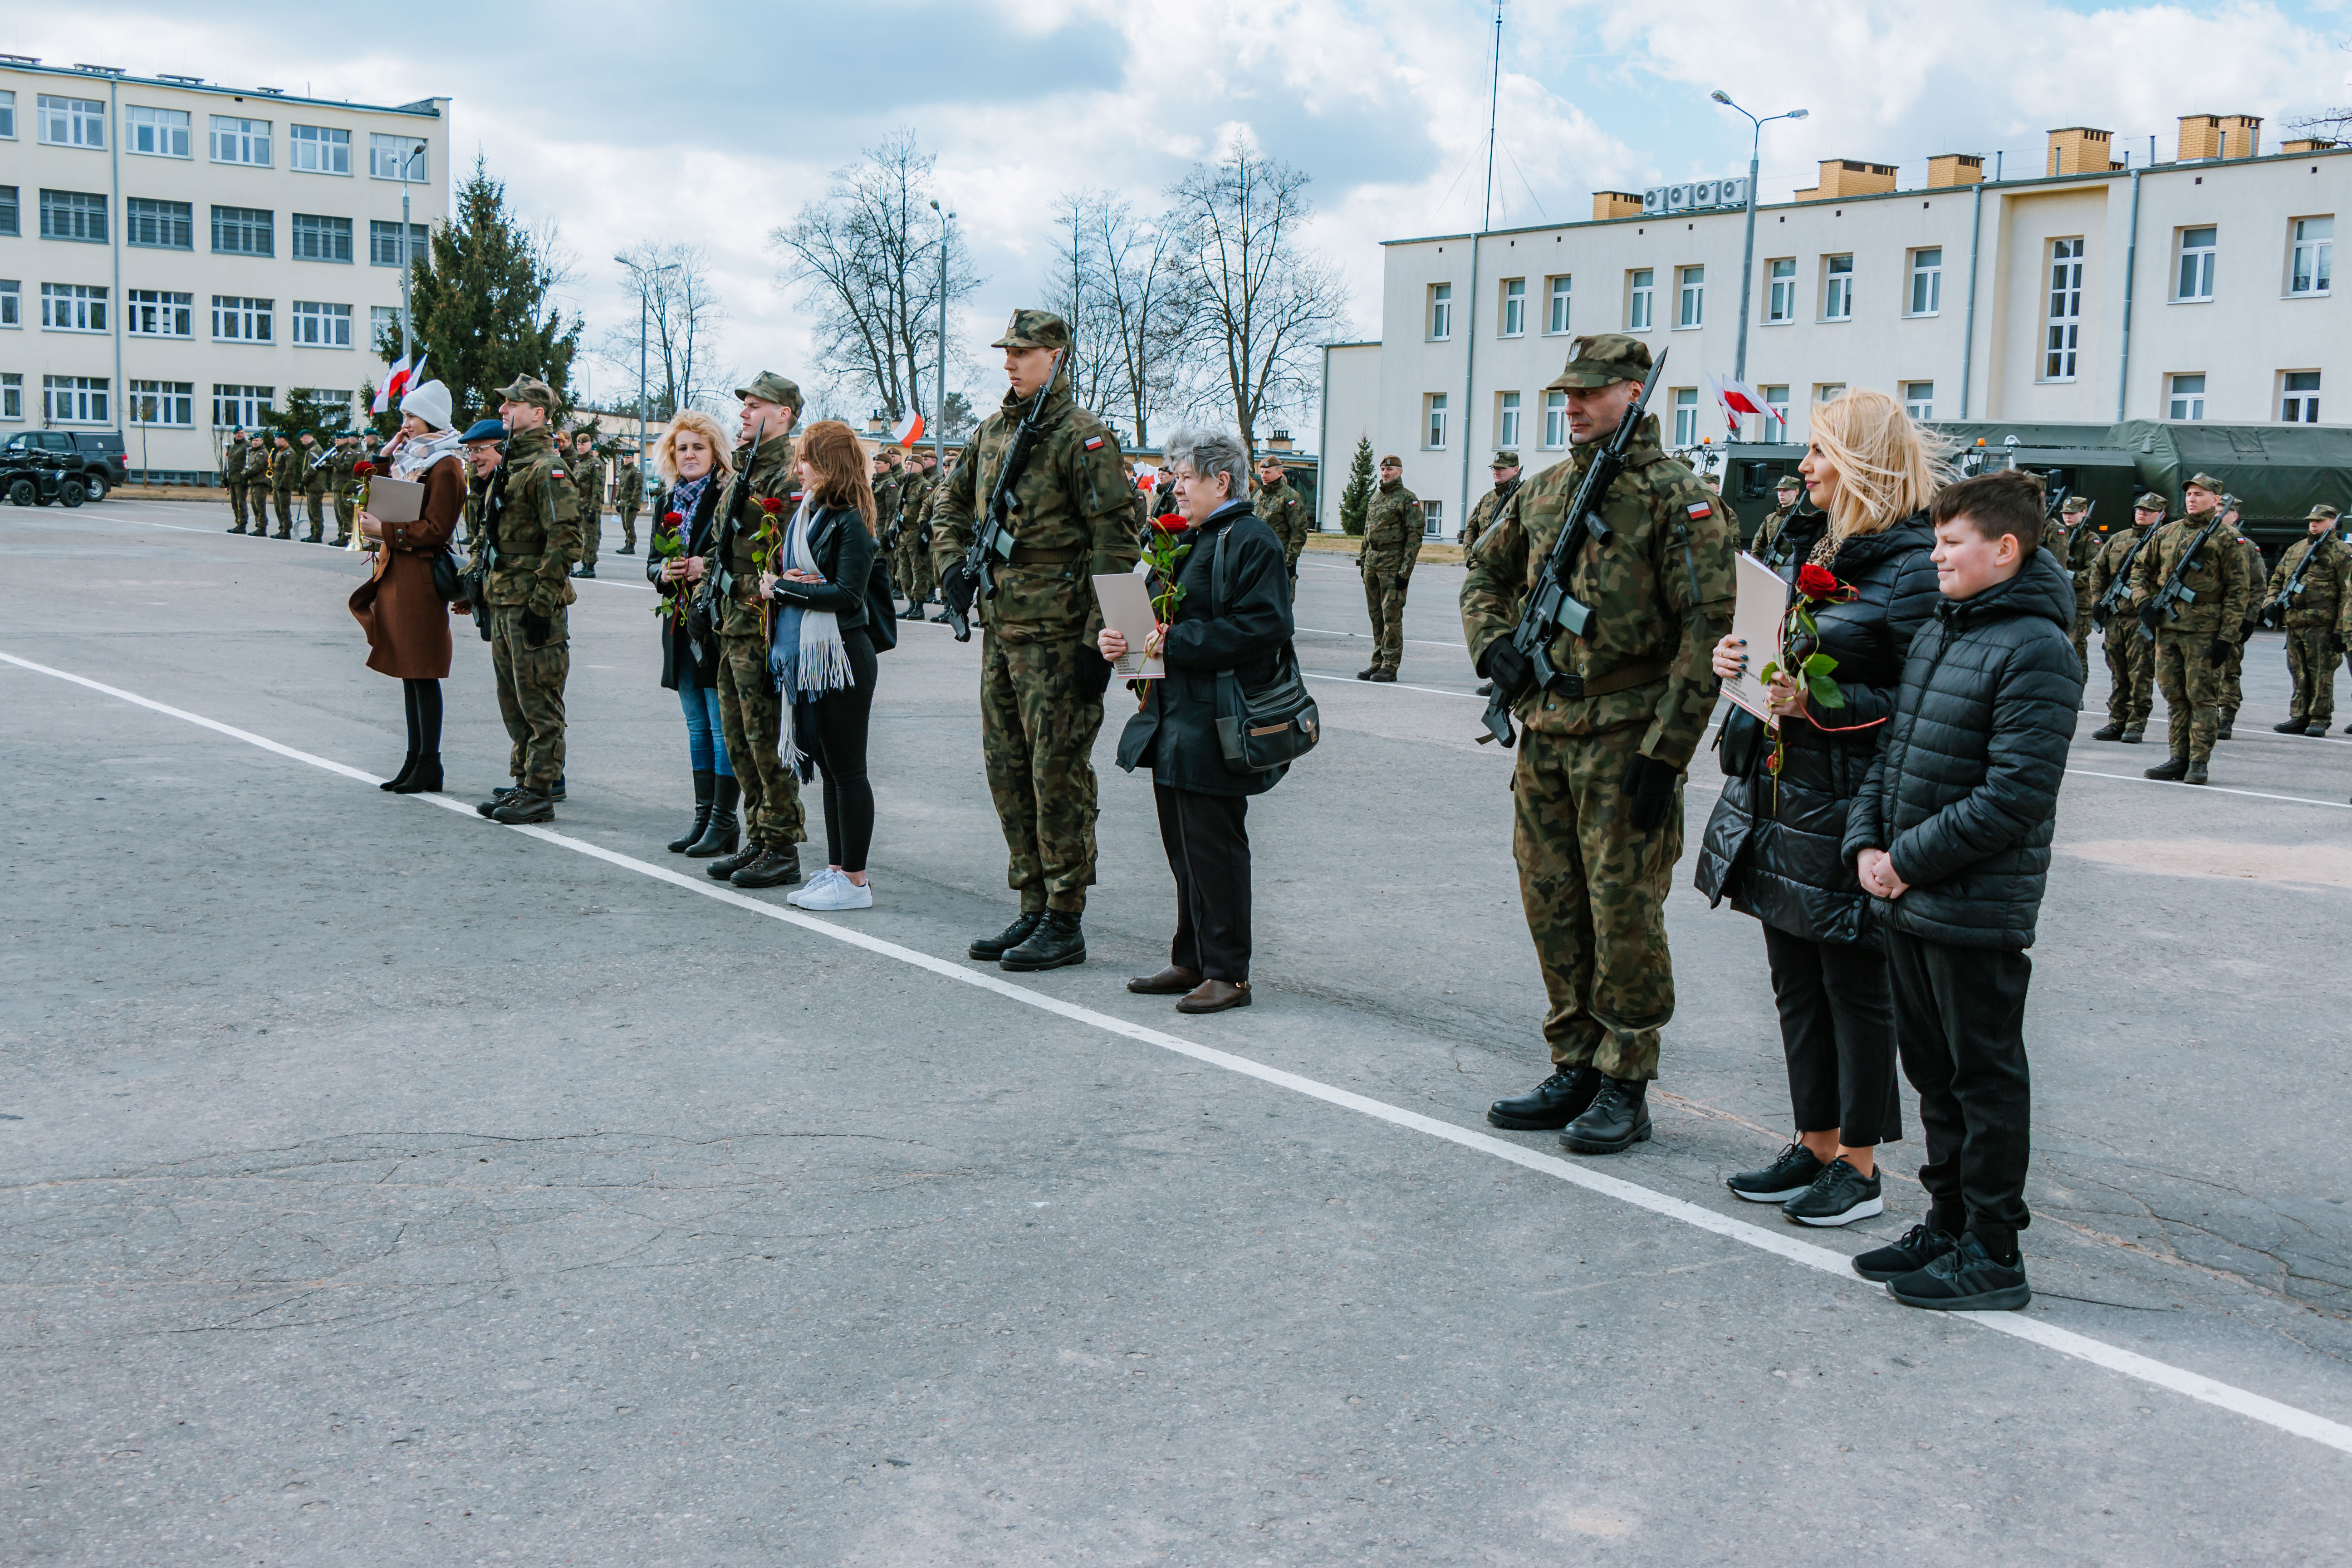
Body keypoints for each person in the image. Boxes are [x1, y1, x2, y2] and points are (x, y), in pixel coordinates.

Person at [1461, 334, 1735, 1155]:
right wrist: (1494, 644)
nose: (1572, 406)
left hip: (1626, 738)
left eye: (1588, 392)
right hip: (1546, 733)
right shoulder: (1545, 490)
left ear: (1633, 392)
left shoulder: (1679, 498)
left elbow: (1707, 631)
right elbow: (1483, 575)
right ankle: (1574, 1061)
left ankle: (1625, 1081)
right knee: (1551, 904)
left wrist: (1666, 752)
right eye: (1566, 394)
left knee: (1623, 914)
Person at [1695, 388, 1943, 1225]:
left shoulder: (1912, 568)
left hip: (1848, 805)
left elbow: (1925, 702)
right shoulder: (1811, 542)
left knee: (1853, 988)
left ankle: (1860, 1169)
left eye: (1820, 451)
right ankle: (1814, 1143)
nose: (1803, 466)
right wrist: (1737, 660)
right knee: (1795, 983)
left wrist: (1817, 706)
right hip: (1781, 793)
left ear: (1862, 462)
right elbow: (1783, 649)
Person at [1843, 469, 2083, 1310]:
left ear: (2004, 549)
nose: (1935, 556)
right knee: (1934, 1074)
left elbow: (2015, 795)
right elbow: (1892, 752)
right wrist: (1865, 843)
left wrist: (1904, 860)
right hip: (1909, 895)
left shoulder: (2036, 648)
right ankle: (1946, 1223)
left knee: (1982, 1080)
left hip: (1972, 906)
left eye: (1950, 543)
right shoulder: (1945, 629)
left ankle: (1992, 1251)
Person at [932, 310, 1140, 971]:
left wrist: (1106, 644)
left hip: (1060, 636)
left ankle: (1065, 916)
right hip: (1003, 630)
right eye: (1008, 352)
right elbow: (948, 504)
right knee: (1007, 770)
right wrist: (951, 566)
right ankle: (1032, 903)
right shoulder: (992, 432)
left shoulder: (1084, 438)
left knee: (1057, 775)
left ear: (1056, 357)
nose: (1010, 362)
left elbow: (1118, 543)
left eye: (1023, 352)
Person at [1104, 426, 1294, 1014]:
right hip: (1173, 717)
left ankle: (1228, 973)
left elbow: (1264, 627)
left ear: (1223, 481)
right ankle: (1190, 959)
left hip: (1217, 719)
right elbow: (1155, 618)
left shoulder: (1252, 540)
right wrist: (1124, 642)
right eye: (1176, 476)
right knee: (1183, 850)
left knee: (1216, 851)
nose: (1176, 487)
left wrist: (1175, 642)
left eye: (1186, 477)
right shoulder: (1184, 537)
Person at [694, 373, 809, 890]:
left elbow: (786, 562)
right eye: (743, 405)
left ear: (784, 414)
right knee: (739, 739)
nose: (744, 413)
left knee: (766, 741)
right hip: (731, 623)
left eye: (756, 405)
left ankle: (782, 845)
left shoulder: (787, 475)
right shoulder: (745, 469)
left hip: (763, 627)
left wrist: (738, 591)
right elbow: (719, 546)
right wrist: (705, 600)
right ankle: (759, 836)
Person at [767, 420, 887, 911]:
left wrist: (782, 588)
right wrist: (788, 581)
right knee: (832, 769)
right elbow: (806, 579)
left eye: (807, 459)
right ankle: (838, 870)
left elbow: (846, 595)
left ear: (829, 464)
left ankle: (855, 881)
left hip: (844, 656)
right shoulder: (812, 514)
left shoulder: (850, 520)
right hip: (819, 655)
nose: (799, 468)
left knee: (849, 770)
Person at [470, 377, 582, 826]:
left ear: (538, 414)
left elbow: (565, 540)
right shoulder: (512, 466)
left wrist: (542, 603)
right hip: (504, 598)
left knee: (539, 701)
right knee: (513, 699)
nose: (503, 410)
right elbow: (491, 534)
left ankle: (540, 790)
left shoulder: (547, 468)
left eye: (512, 404)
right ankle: (523, 781)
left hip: (531, 601)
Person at [348, 379, 466, 794]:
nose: (406, 424)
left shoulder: (446, 465)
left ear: (431, 417)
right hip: (401, 573)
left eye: (412, 416)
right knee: (408, 672)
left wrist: (385, 531)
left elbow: (436, 529)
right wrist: (384, 457)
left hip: (420, 576)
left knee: (421, 672)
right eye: (404, 416)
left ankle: (428, 763)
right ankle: (414, 760)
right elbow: (392, 500)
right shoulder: (413, 458)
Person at [646, 410, 740, 858]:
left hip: (716, 623)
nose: (689, 454)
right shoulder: (668, 501)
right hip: (679, 625)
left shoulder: (729, 495)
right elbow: (651, 563)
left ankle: (724, 821)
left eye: (698, 447)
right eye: (681, 447)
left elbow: (747, 555)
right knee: (697, 726)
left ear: (715, 452)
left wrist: (708, 565)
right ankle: (703, 818)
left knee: (721, 727)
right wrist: (663, 572)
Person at [2132, 473, 2250, 786]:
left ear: (2216, 500)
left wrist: (2227, 636)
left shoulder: (2228, 538)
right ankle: (2178, 759)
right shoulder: (2167, 533)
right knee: (2174, 697)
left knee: (2201, 698)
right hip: (2168, 629)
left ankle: (2198, 763)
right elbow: (2140, 569)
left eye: (2199, 494)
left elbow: (2239, 591)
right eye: (2189, 494)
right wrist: (2143, 602)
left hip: (2205, 631)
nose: (2192, 499)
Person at [2087, 492, 2167, 742]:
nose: (2142, 513)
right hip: (2116, 616)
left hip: (2141, 618)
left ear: (2161, 515)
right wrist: (2097, 600)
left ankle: (2136, 724)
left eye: (2149, 510)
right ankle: (2117, 721)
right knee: (2118, 671)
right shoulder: (2119, 539)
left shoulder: (2164, 541)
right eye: (2139, 509)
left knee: (2140, 673)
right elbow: (2098, 570)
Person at [2266, 505, 2349, 735]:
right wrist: (2270, 603)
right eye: (2311, 520)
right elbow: (2277, 579)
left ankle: (2319, 719)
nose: (2313, 524)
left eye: (2319, 521)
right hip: (2294, 621)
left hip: (2323, 623)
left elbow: (2347, 594)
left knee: (2322, 673)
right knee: (2298, 672)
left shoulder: (2342, 553)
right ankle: (2299, 716)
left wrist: (2341, 629)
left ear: (2333, 523)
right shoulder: (2296, 549)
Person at [1358, 456, 1421, 681]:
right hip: (1372, 564)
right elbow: (1367, 531)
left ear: (1400, 472)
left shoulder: (1408, 499)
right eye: (1383, 469)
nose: (1385, 473)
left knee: (1391, 617)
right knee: (1376, 616)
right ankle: (1377, 662)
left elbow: (1415, 536)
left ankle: (1390, 666)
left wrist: (1405, 572)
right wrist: (1363, 560)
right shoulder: (1376, 497)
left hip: (1392, 566)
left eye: (1390, 469)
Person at [2214, 498, 2264, 739]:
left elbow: (2258, 586)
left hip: (2232, 620)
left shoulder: (2246, 546)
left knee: (2229, 671)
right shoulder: (2203, 540)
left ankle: (2226, 717)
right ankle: (2207, 716)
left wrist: (2249, 619)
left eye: (2224, 512)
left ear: (2235, 516)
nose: (2218, 515)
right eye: (2215, 510)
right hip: (2202, 618)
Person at [2049, 494, 2098, 676]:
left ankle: (2079, 686)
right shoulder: (2057, 536)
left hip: (2079, 606)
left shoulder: (2091, 540)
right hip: (2057, 602)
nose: (2068, 516)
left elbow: (2093, 572)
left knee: (2075, 651)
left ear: (2084, 513)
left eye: (2073, 513)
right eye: (2065, 513)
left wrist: (2067, 578)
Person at [1253, 453, 1311, 597]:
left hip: (1280, 560)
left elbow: (1299, 531)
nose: (1264, 476)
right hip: (1259, 559)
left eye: (1268, 472)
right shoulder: (1258, 496)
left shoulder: (1290, 497)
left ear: (1279, 473)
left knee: (1281, 601)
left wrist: (1290, 562)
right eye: (1262, 472)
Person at [1460, 450, 1521, 559]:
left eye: (1502, 468)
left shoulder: (1523, 496)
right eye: (1495, 468)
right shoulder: (1487, 499)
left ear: (1516, 470)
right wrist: (1470, 557)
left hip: (1511, 564)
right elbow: (1472, 527)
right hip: (1483, 562)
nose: (1496, 472)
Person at [570, 429, 606, 578]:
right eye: (578, 444)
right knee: (581, 537)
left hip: (589, 507)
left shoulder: (596, 464)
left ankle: (589, 567)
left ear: (590, 445)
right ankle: (583, 564)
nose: (580, 447)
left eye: (583, 444)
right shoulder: (579, 464)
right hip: (578, 507)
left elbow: (598, 490)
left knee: (590, 538)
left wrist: (594, 510)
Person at [1751, 473, 1806, 563]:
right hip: (1769, 568)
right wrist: (1756, 563)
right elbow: (1758, 546)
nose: (1781, 494)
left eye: (1785, 490)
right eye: (1779, 491)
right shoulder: (1770, 519)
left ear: (1796, 492)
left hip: (1789, 569)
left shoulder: (1803, 521)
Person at [329, 433, 362, 548]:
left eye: (338, 441)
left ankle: (346, 537)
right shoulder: (340, 453)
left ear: (345, 440)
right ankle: (341, 535)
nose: (336, 443)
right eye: (335, 441)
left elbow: (344, 468)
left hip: (345, 487)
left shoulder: (349, 453)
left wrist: (333, 461)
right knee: (339, 514)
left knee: (345, 514)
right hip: (337, 487)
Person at [241, 433, 274, 537]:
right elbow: (248, 465)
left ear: (262, 441)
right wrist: (244, 474)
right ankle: (259, 526)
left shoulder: (263, 453)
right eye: (253, 441)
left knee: (260, 506)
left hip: (261, 483)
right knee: (255, 506)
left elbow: (257, 467)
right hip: (254, 482)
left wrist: (246, 475)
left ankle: (262, 528)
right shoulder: (252, 452)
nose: (255, 443)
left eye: (257, 441)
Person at [269, 433, 300, 539]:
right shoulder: (280, 452)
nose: (275, 442)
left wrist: (283, 483)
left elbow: (289, 470)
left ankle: (286, 530)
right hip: (277, 484)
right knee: (278, 508)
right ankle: (282, 527)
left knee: (284, 509)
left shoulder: (290, 452)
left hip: (284, 485)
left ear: (283, 440)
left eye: (276, 439)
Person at [615, 448, 644, 556]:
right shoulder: (623, 472)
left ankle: (631, 546)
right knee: (625, 525)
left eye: (628, 458)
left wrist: (633, 502)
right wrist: (618, 501)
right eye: (625, 458)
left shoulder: (635, 472)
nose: (626, 460)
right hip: (623, 503)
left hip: (631, 503)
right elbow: (620, 488)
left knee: (629, 525)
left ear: (633, 459)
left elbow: (638, 488)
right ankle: (627, 544)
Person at [223, 430, 251, 533]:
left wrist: (246, 478)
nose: (241, 435)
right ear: (235, 434)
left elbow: (249, 463)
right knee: (234, 503)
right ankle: (238, 522)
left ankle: (242, 524)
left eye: (242, 433)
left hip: (241, 479)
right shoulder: (232, 447)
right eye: (238, 433)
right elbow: (229, 463)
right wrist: (225, 477)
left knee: (241, 502)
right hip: (232, 479)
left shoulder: (247, 446)